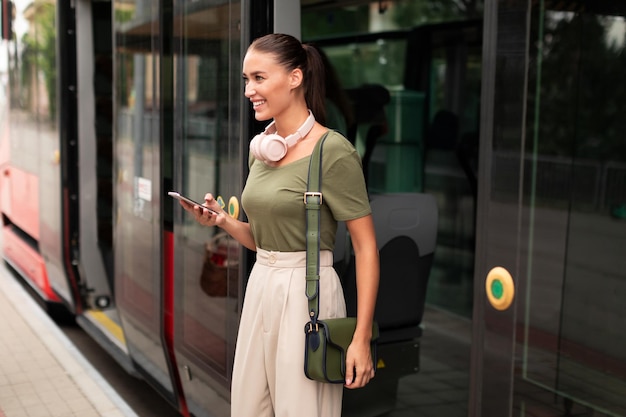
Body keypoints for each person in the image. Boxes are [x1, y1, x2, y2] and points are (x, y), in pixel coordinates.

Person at [180, 33, 379, 417]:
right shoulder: (263, 151)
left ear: (294, 78)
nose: (248, 90)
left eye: (258, 78)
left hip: (308, 294)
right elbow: (262, 240)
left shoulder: (332, 151)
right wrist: (223, 221)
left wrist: (361, 337)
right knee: (249, 408)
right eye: (245, 80)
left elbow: (366, 247)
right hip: (261, 284)